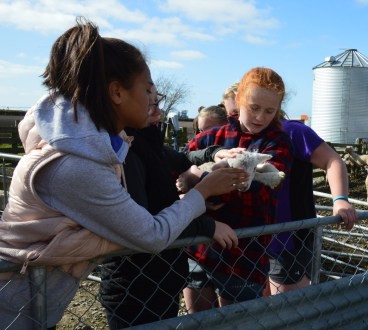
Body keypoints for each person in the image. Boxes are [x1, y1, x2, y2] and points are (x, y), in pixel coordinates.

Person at [0, 18, 246, 329]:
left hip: (30, 301)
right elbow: (151, 234)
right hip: (13, 309)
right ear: (117, 92)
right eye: (146, 89)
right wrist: (204, 192)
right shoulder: (77, 165)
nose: (152, 100)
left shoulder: (94, 147)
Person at [99, 87, 238, 328]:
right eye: (151, 105)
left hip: (161, 277)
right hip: (136, 284)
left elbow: (181, 158)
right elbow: (147, 223)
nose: (158, 112)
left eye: (157, 103)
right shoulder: (124, 154)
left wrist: (215, 153)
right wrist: (207, 224)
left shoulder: (142, 142)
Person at [185, 67, 293, 306]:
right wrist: (191, 180)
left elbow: (262, 190)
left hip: (244, 253)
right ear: (240, 99)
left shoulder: (277, 142)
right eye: (254, 108)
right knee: (198, 318)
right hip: (198, 247)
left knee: (236, 320)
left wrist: (199, 187)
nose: (260, 117)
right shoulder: (211, 138)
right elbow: (178, 167)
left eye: (269, 111)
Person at [266, 116, 358, 295]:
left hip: (288, 236)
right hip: (250, 239)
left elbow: (333, 160)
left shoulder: (293, 131)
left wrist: (340, 198)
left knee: (286, 308)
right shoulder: (238, 136)